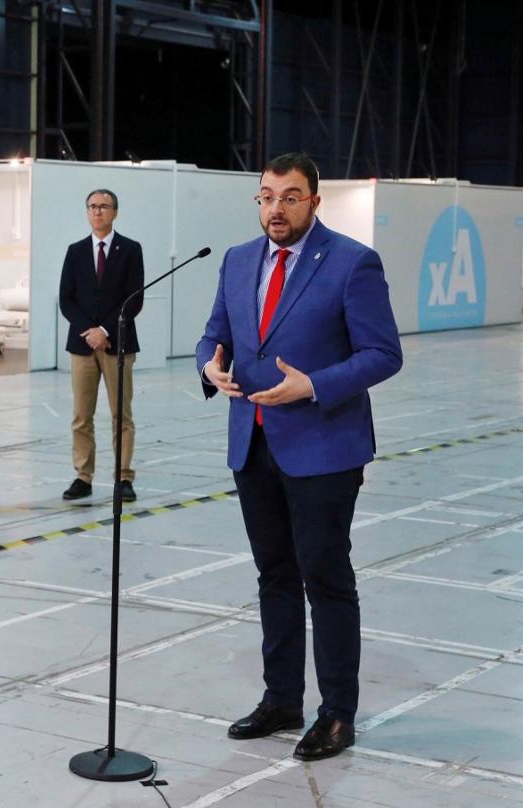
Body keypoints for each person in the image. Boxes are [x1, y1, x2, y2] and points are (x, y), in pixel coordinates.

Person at [195, 152, 403, 761]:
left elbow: (383, 354)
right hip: (253, 442)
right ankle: (281, 698)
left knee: (326, 578)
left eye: (289, 197)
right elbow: (216, 333)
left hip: (323, 446)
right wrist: (210, 362)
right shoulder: (237, 261)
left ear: (315, 201)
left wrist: (313, 385)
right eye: (265, 196)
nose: (275, 208)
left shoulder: (352, 262)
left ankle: (337, 713)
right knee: (274, 577)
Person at [58, 188, 144, 502]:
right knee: (82, 415)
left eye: (104, 206)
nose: (98, 212)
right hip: (82, 346)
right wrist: (90, 331)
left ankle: (123, 478)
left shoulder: (130, 249)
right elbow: (66, 299)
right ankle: (83, 476)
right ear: (87, 212)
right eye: (93, 206)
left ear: (115, 212)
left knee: (121, 414)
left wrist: (106, 330)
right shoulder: (76, 250)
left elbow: (134, 299)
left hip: (118, 343)